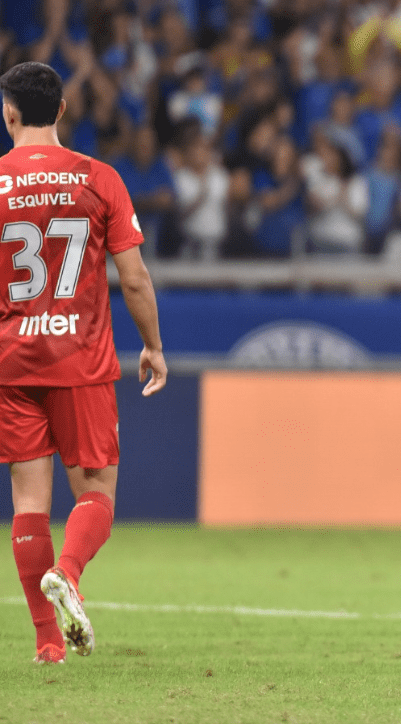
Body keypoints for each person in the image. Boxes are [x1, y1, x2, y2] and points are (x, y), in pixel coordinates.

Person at [0, 61, 167, 664]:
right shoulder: (100, 178)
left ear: (9, 114)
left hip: (13, 364)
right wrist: (152, 345)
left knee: (28, 504)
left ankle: (48, 644)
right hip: (80, 359)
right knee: (95, 494)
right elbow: (135, 278)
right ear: (63, 110)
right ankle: (68, 573)